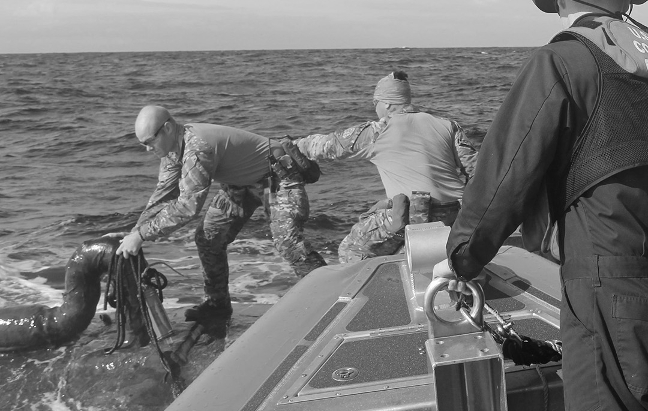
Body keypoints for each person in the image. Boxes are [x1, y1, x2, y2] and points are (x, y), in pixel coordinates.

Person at [433, 0, 648, 411]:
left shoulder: (564, 61)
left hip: (608, 296)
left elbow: (505, 171)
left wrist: (462, 258)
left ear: (564, 0)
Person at [117, 106, 327, 322]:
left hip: (273, 179)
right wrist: (133, 234)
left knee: (287, 241)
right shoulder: (170, 152)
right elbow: (162, 197)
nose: (147, 149)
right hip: (241, 184)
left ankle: (331, 296)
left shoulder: (197, 148)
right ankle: (217, 306)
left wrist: (142, 235)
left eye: (149, 142)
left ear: (168, 128)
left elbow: (187, 207)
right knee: (208, 238)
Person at [294, 71, 477, 263]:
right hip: (455, 217)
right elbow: (475, 169)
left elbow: (327, 146)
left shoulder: (378, 131)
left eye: (376, 103)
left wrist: (293, 145)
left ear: (387, 103)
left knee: (351, 249)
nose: (375, 109)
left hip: (416, 216)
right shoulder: (448, 126)